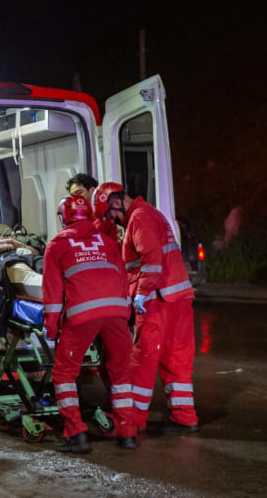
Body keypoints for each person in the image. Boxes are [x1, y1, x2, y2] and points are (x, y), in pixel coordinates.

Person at [92, 183, 199, 433]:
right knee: (177, 360)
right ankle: (185, 416)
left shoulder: (139, 218)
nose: (112, 220)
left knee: (142, 360)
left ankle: (132, 419)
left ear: (116, 202)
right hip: (178, 297)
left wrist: (140, 294)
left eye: (110, 214)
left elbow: (151, 260)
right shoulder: (150, 213)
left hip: (156, 300)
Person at [43, 194, 137, 453]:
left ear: (64, 217)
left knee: (64, 373)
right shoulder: (107, 241)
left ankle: (76, 433)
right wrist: (125, 313)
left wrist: (51, 326)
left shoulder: (57, 245)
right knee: (121, 373)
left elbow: (52, 292)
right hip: (116, 313)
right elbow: (122, 279)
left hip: (82, 315)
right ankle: (128, 434)